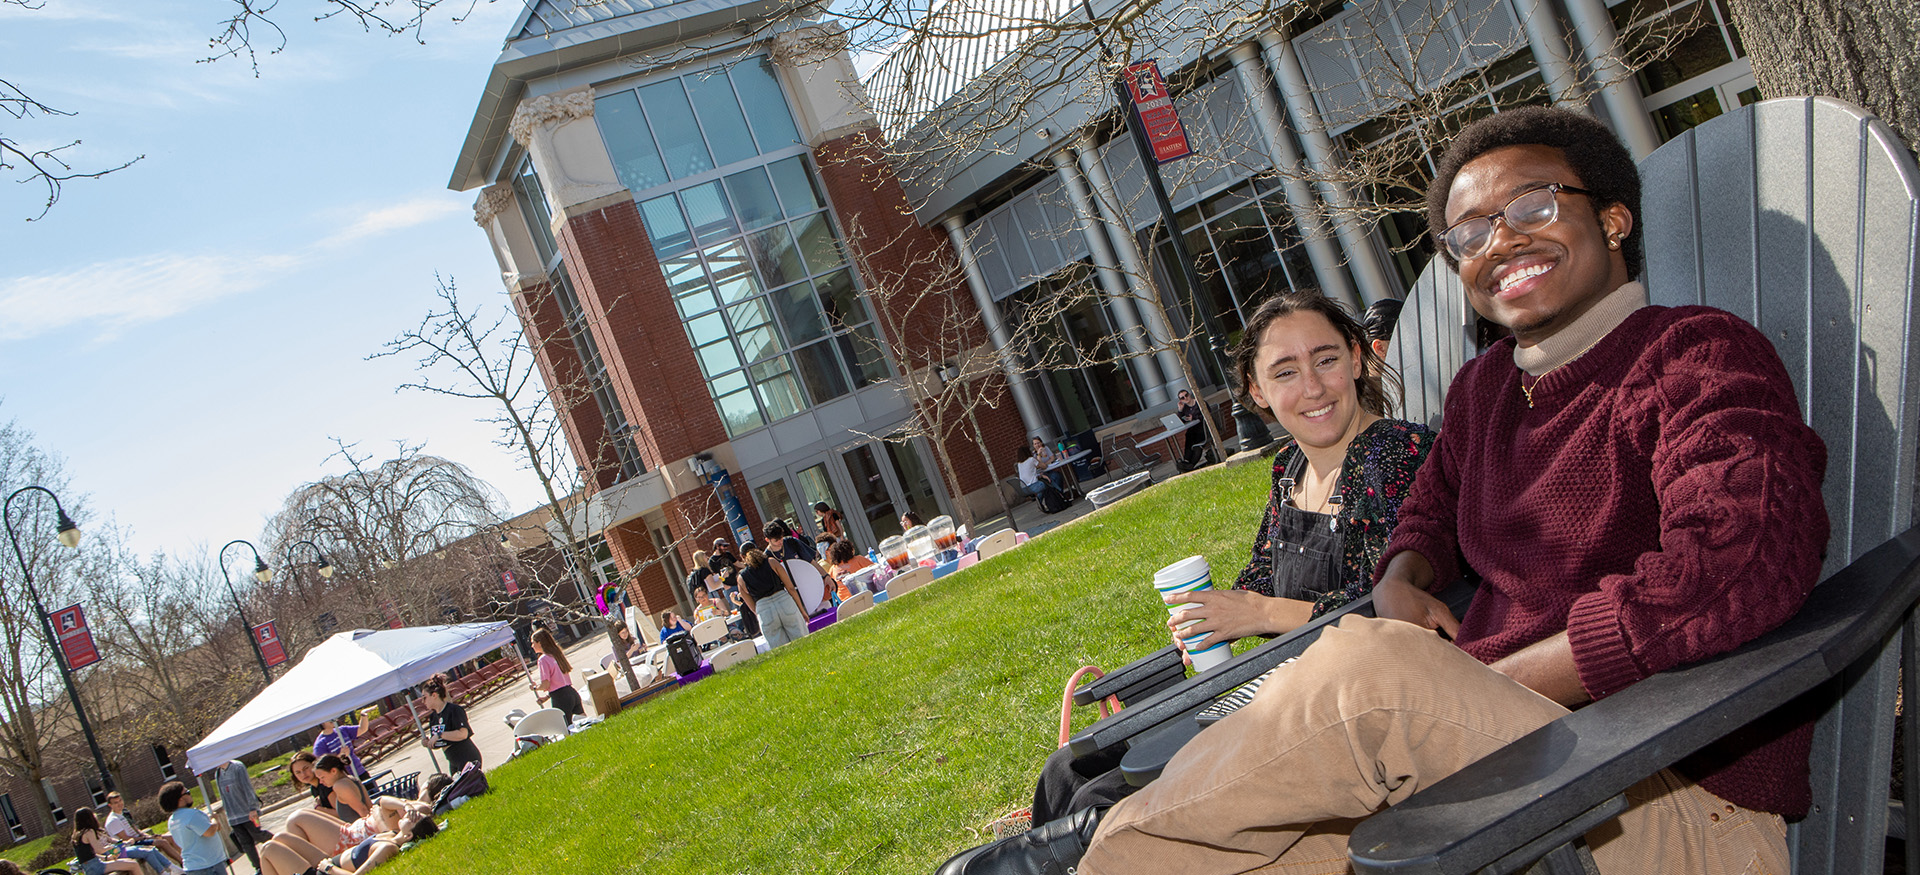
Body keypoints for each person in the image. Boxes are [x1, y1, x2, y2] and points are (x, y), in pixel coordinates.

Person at [939, 104, 1831, 875]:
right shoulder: (1486, 390)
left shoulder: (1693, 354)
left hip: (1664, 802)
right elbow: (1430, 504)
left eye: (1532, 205)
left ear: (1613, 219)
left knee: (1369, 668)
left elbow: (1740, 561)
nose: (1502, 241)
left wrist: (1478, 678)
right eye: (1470, 232)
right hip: (1496, 788)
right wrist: (1405, 570)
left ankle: (1091, 830)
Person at [1024, 291, 1436, 825]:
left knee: (1098, 803)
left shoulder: (1393, 454)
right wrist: (1211, 616)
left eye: (1326, 359)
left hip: (1345, 709)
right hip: (1282, 681)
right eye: (1284, 372)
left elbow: (1383, 609)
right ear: (1256, 392)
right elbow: (1261, 576)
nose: (1312, 387)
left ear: (1357, 358)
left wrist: (1259, 615)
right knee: (1065, 772)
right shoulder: (1290, 467)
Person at [737, 542, 807, 648]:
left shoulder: (741, 578)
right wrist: (802, 609)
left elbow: (752, 607)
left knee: (780, 650)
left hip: (763, 608)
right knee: (802, 641)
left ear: (742, 557)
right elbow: (791, 588)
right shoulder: (772, 562)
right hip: (784, 601)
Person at [213, 758, 274, 872]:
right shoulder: (218, 773)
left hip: (248, 813)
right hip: (233, 816)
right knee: (245, 843)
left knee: (258, 835)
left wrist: (253, 808)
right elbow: (223, 795)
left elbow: (247, 788)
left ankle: (279, 843)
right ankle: (259, 867)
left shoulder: (237, 767)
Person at [71, 807, 166, 875]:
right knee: (133, 865)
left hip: (88, 869)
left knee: (128, 862)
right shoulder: (89, 831)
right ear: (89, 818)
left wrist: (107, 858)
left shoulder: (76, 835)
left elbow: (87, 854)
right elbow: (98, 850)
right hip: (97, 867)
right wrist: (113, 847)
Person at [159, 782, 227, 875]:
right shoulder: (192, 815)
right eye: (187, 792)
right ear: (180, 799)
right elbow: (210, 831)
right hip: (208, 866)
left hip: (192, 866)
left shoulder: (172, 820)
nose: (190, 794)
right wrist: (214, 819)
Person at [420, 674, 483, 774]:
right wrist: (429, 743)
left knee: (469, 788)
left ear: (434, 695)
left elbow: (463, 734)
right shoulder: (433, 717)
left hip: (466, 755)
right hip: (452, 759)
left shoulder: (453, 710)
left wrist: (440, 734)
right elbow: (439, 742)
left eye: (424, 697)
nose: (423, 701)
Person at [103, 791, 183, 867]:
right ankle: (182, 863)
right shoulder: (113, 820)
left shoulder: (124, 813)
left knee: (170, 837)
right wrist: (143, 838)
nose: (120, 804)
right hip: (130, 844)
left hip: (139, 838)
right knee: (162, 842)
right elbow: (125, 838)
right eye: (116, 803)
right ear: (110, 805)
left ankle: (185, 859)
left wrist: (148, 836)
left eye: (120, 800)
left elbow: (136, 830)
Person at [529, 627, 584, 723]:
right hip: (571, 692)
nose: (532, 646)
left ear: (539, 642)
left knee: (565, 727)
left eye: (533, 642)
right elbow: (560, 681)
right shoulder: (557, 654)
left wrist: (535, 687)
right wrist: (547, 697)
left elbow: (546, 684)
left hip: (560, 697)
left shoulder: (543, 659)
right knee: (584, 722)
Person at [1173, 388, 1215, 470]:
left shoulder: (1200, 403)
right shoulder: (1185, 408)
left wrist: (1194, 418)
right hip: (1193, 432)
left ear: (1190, 395)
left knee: (1195, 445)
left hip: (1204, 429)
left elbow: (1207, 415)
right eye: (1182, 398)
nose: (1185, 398)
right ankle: (1187, 461)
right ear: (1181, 400)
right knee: (1189, 438)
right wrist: (1180, 410)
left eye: (1186, 395)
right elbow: (1180, 421)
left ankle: (1190, 464)